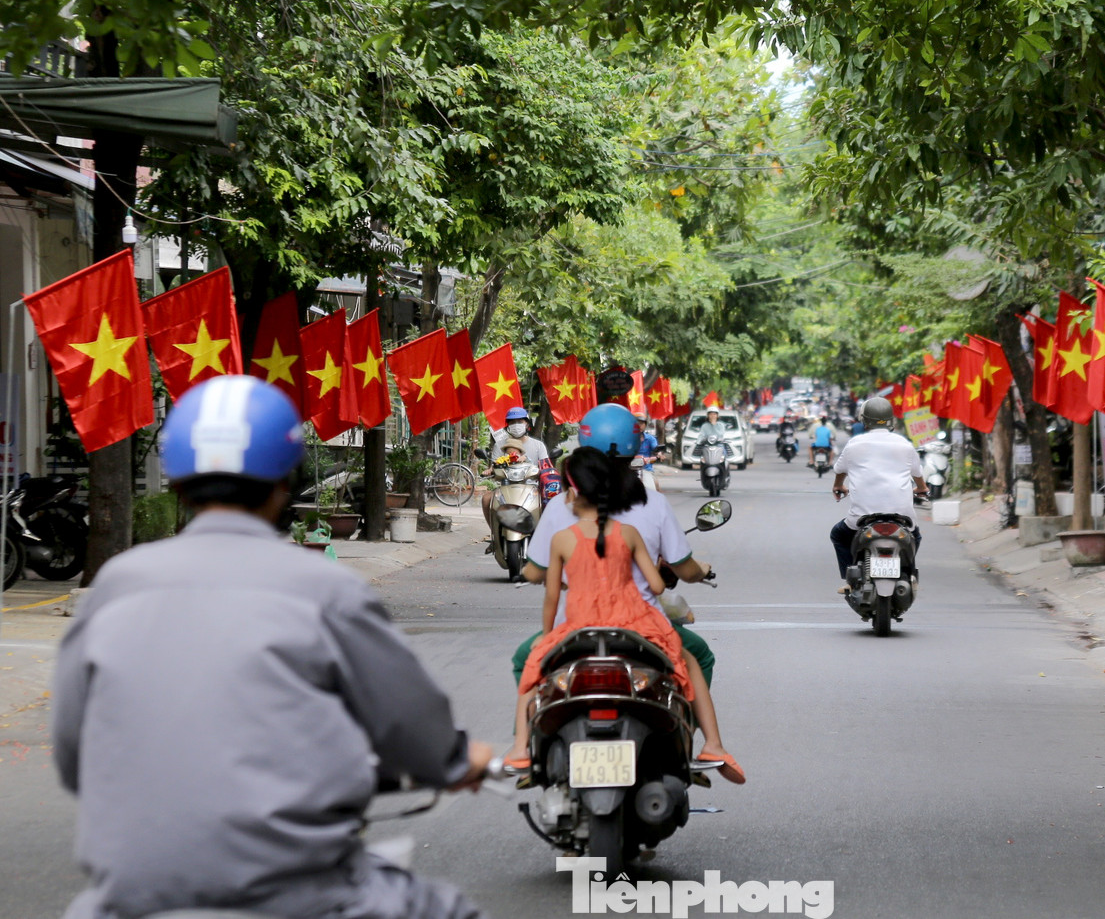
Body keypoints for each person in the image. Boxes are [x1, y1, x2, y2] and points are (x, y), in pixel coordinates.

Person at [51, 375, 493, 919]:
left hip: (132, 896)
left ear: (179, 482)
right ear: (287, 479)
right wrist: (453, 759)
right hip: (296, 892)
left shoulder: (114, 587)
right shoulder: (326, 590)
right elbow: (410, 723)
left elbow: (75, 759)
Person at [505, 444, 743, 784]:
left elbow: (551, 595)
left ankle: (520, 749)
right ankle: (713, 746)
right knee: (688, 661)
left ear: (572, 492)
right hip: (636, 621)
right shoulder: (628, 531)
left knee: (533, 669)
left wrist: (548, 637)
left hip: (579, 622)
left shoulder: (561, 538)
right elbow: (658, 587)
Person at [829, 396, 927, 590]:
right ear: (890, 419)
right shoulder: (904, 444)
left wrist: (838, 485)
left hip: (862, 517)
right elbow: (918, 475)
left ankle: (850, 580)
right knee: (915, 536)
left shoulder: (855, 444)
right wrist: (922, 489)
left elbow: (840, 470)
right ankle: (908, 576)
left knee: (838, 535)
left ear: (864, 419)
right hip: (902, 516)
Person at [481, 405, 548, 531]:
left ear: (527, 424)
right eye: (512, 422)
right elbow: (494, 466)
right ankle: (494, 536)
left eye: (519, 422)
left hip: (532, 487)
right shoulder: (500, 445)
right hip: (505, 487)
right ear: (507, 426)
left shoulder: (538, 446)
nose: (516, 425)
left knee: (549, 502)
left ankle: (544, 535)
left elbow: (546, 467)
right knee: (486, 499)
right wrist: (490, 471)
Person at [633, 411, 661, 491]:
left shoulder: (650, 439)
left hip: (646, 469)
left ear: (645, 425)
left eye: (642, 423)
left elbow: (656, 449)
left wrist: (659, 454)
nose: (639, 426)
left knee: (654, 487)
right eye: (637, 423)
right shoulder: (628, 439)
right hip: (630, 469)